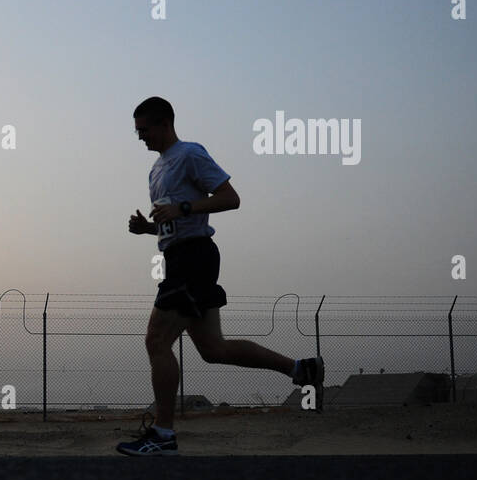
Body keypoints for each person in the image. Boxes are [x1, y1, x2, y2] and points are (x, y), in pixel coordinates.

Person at [118, 97, 324, 456]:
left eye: (144, 130)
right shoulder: (155, 169)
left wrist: (182, 207)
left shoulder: (190, 154)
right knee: (214, 349)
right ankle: (300, 368)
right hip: (180, 255)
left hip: (193, 259)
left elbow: (230, 198)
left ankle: (163, 435)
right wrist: (149, 230)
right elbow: (178, 223)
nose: (140, 138)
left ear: (164, 123)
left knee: (155, 340)